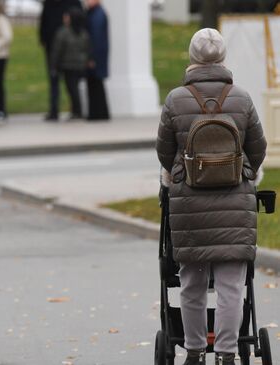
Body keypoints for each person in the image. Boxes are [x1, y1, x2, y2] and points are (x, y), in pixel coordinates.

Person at [156, 28, 267, 365]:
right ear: (222, 58)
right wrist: (245, 173)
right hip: (235, 203)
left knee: (191, 281)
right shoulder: (242, 98)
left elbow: (164, 151)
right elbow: (258, 148)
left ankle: (193, 351)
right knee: (233, 285)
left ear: (192, 58)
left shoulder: (176, 99)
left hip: (189, 205)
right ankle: (227, 354)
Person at [39, 0, 82, 121]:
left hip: (69, 48)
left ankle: (76, 110)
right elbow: (44, 21)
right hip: (52, 46)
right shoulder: (49, 3)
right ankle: (54, 110)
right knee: (53, 78)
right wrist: (43, 38)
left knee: (71, 81)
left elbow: (80, 19)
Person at [49, 6, 90, 121]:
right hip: (79, 66)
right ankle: (77, 110)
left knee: (72, 89)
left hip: (68, 66)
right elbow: (87, 49)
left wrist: (54, 65)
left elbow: (57, 51)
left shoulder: (63, 33)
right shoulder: (83, 33)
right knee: (74, 89)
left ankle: (77, 111)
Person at [85, 0, 110, 121]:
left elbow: (96, 38)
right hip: (97, 56)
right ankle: (98, 113)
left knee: (95, 85)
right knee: (96, 84)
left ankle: (97, 114)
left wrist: (91, 57)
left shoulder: (97, 14)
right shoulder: (94, 13)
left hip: (96, 56)